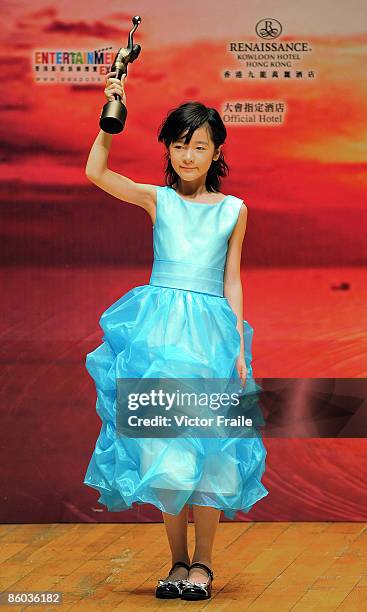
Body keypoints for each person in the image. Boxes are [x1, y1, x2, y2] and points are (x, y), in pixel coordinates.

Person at [83, 69, 269, 600]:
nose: (188, 156)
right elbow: (96, 171)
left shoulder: (235, 210)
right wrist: (111, 112)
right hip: (157, 333)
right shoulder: (156, 199)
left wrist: (238, 344)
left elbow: (232, 278)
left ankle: (204, 566)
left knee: (211, 450)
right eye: (180, 145)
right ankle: (176, 562)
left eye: (199, 146)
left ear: (216, 153)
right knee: (161, 450)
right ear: (169, 148)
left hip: (211, 334)